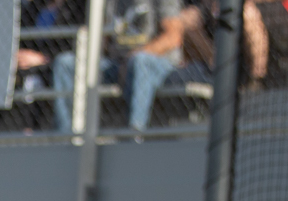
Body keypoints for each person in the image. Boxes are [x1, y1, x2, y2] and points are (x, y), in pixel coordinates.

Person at [52, 0, 193, 135]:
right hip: (118, 64)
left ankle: (134, 134)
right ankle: (67, 136)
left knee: (140, 62)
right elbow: (104, 40)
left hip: (158, 64)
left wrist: (133, 57)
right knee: (65, 64)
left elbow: (173, 37)